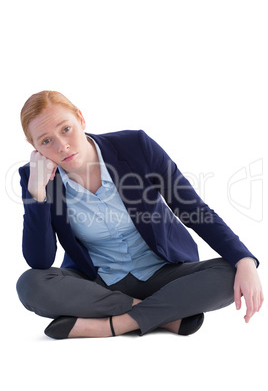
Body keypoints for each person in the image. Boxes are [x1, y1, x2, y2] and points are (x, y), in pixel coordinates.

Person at [16, 90, 264, 339]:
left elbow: (192, 209)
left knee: (232, 272)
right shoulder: (36, 178)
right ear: (35, 148)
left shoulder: (135, 146)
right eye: (46, 141)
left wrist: (243, 259)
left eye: (65, 129)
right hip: (98, 282)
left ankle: (111, 325)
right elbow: (40, 261)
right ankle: (164, 315)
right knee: (30, 285)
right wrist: (37, 194)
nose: (62, 146)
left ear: (80, 119)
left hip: (164, 273)